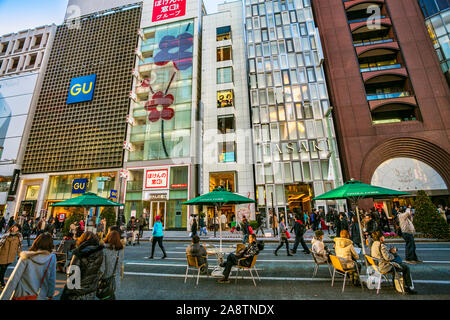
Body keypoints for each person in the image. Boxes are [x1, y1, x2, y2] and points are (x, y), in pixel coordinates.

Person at [0, 233, 56, 300]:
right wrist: (50, 294)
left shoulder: (26, 257)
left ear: (36, 242)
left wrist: (4, 298)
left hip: (21, 295)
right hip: (40, 296)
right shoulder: (51, 258)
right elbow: (51, 279)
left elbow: (14, 279)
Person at [60, 232, 104, 300]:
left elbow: (73, 274)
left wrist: (69, 291)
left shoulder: (79, 252)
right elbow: (100, 271)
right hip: (91, 289)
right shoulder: (100, 252)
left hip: (77, 292)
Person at [99, 230, 124, 300]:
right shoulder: (120, 249)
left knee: (104, 297)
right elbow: (119, 264)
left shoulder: (104, 249)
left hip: (105, 279)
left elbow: (102, 268)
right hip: (116, 279)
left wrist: (97, 279)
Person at [0, 224, 23, 289]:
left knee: (3, 269)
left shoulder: (19, 236)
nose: (15, 228)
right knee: (3, 269)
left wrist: (19, 255)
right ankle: (2, 282)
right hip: (3, 254)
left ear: (18, 229)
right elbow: (0, 243)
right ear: (12, 227)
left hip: (11, 255)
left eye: (16, 227)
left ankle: (1, 281)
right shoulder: (6, 235)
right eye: (14, 227)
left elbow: (19, 247)